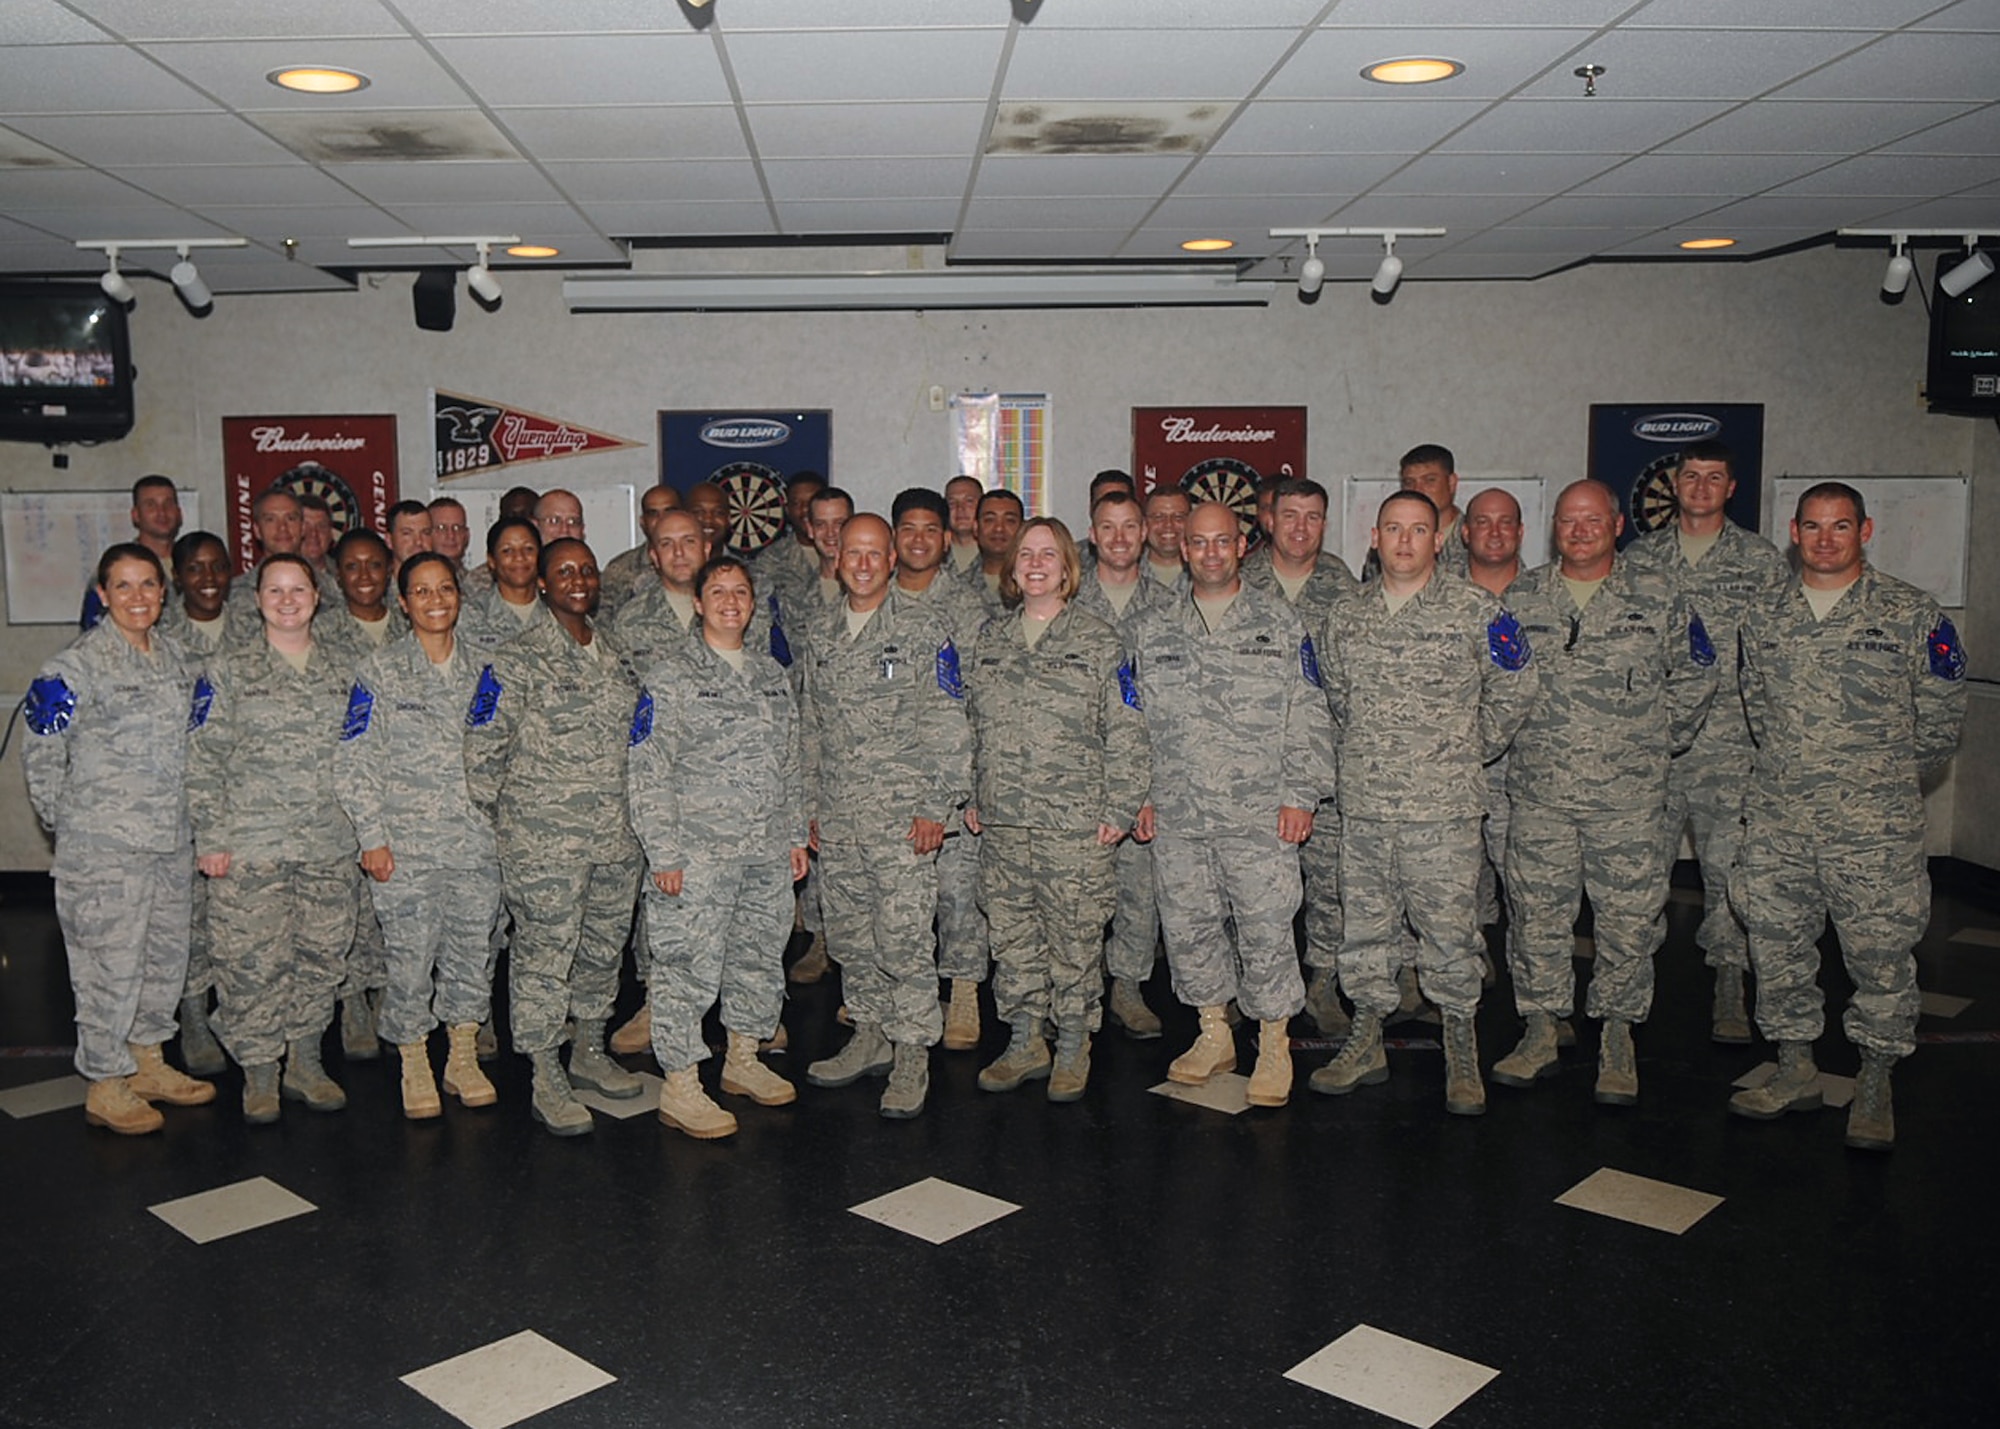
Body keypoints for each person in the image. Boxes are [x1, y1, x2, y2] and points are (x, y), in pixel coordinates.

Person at [1727, 483, 1966, 1150]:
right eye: (1812, 526)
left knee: (1881, 954)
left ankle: (1875, 1080)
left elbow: (1941, 722)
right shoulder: (1765, 612)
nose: (1824, 538)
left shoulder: (1910, 612)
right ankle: (1795, 1066)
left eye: (1839, 526)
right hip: (1779, 818)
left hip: (1874, 826)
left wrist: (1876, 783)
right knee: (1776, 947)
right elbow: (1756, 704)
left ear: (1865, 530)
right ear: (1793, 531)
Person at [1308, 492, 1537, 1116]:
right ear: (1374, 538)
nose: (1405, 541)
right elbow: (1334, 697)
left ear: (1441, 539)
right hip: (1367, 806)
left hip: (1445, 809)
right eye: (1393, 529)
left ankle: (1461, 1043)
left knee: (1449, 932)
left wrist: (1465, 748)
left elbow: (1516, 687)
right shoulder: (1344, 616)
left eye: (1419, 530)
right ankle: (1366, 1039)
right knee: (1366, 930)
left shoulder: (1476, 610)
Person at [1491, 480, 1716, 1106]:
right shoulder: (1523, 595)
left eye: (1593, 520)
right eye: (1569, 520)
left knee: (1627, 922)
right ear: (1554, 528)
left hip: (1629, 799)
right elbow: (1497, 679)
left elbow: (1698, 673)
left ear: (1618, 525)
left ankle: (1618, 1036)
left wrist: (1655, 741)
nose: (1580, 530)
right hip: (1540, 794)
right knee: (1537, 917)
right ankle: (1540, 1026)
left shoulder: (1660, 594)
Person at [1128, 502, 1337, 1106]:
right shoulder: (1151, 626)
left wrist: (1302, 794)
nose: (1211, 553)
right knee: (1189, 928)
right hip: (1178, 809)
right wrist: (1139, 795)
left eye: (1223, 542)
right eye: (1199, 542)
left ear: (1243, 545)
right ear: (1182, 548)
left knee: (1266, 926)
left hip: (1258, 810)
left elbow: (1309, 712)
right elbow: (1131, 719)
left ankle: (1274, 1043)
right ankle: (1214, 1032)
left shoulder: (1279, 621)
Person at [26, 543, 214, 1135]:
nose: (138, 598)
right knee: (108, 968)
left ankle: (148, 1062)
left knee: (163, 961)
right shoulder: (70, 670)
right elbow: (41, 760)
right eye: (123, 587)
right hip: (104, 851)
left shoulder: (182, 662)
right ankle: (106, 1083)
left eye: (148, 585)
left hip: (169, 842)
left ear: (164, 593)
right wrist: (79, 830)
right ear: (103, 595)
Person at [466, 538, 645, 1137]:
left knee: (601, 951)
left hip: (616, 839)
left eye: (587, 570)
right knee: (545, 956)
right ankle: (544, 1069)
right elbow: (482, 752)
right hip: (545, 844)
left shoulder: (619, 654)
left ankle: (589, 1050)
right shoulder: (514, 660)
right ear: (541, 583)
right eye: (564, 571)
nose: (578, 580)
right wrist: (519, 824)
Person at [965, 519, 1149, 1102]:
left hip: (1075, 824)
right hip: (1003, 821)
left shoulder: (1100, 641)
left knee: (1073, 938)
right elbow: (971, 728)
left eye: (1048, 554)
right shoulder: (990, 641)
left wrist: (1120, 807)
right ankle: (1025, 1039)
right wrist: (972, 794)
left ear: (1068, 568)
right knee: (1013, 935)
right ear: (1012, 569)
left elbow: (1128, 730)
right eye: (1026, 554)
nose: (1036, 563)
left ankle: (1073, 1042)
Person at [628, 556, 810, 1139]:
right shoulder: (671, 675)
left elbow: (791, 763)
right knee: (688, 968)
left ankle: (742, 1058)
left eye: (741, 591)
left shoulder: (769, 674)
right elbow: (647, 770)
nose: (731, 601)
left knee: (758, 958)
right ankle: (681, 1084)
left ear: (752, 603)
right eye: (718, 592)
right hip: (697, 856)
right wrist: (664, 854)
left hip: (763, 851)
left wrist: (793, 836)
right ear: (699, 604)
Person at [800, 514, 972, 1120]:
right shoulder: (820, 632)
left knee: (903, 940)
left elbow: (949, 723)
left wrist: (936, 806)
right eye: (855, 552)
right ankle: (869, 1032)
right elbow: (810, 728)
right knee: (850, 939)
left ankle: (912, 1050)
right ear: (838, 556)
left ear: (893, 558)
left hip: (904, 822)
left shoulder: (925, 629)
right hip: (841, 820)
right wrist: (809, 808)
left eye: (876, 552)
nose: (865, 563)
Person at [1620, 441, 1788, 1043]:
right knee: (1640, 877)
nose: (1699, 488)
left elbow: (1776, 658)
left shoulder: (1761, 562)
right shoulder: (1638, 559)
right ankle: (1627, 993)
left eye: (1713, 478)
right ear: (1676, 483)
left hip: (1730, 748)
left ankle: (1729, 985)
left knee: (1730, 876)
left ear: (1730, 488)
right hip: (1653, 747)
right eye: (1690, 477)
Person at [187, 554, 360, 1124]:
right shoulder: (227, 671)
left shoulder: (350, 668)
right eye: (275, 590)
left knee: (320, 955)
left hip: (328, 842)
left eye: (299, 589)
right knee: (250, 961)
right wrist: (210, 837)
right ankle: (260, 1070)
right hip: (250, 845)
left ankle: (305, 1060)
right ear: (257, 599)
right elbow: (202, 759)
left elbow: (366, 756)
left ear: (317, 596)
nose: (288, 600)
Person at [335, 552, 503, 1120]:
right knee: (408, 960)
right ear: (402, 602)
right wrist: (372, 839)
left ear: (460, 596)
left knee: (471, 955)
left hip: (476, 846)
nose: (436, 600)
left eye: (446, 589)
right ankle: (413, 1060)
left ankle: (460, 1054)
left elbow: (505, 755)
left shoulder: (488, 671)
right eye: (422, 591)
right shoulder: (378, 673)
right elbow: (353, 763)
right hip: (405, 850)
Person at [1239, 476, 1358, 1037]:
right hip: (1250, 768)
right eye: (1290, 515)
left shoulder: (1344, 586)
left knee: (1330, 883)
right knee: (1255, 889)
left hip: (1325, 764)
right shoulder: (1241, 580)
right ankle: (1253, 987)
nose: (1300, 527)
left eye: (1312, 516)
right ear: (1269, 519)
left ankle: (1322, 984)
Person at [891, 487, 993, 1051]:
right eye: (909, 528)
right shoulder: (872, 605)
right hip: (887, 783)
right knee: (898, 904)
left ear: (947, 537)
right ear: (893, 537)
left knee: (957, 895)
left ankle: (964, 995)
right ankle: (902, 999)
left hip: (952, 780)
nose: (920, 539)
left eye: (931, 529)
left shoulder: (969, 609)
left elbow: (981, 701)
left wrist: (971, 785)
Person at [1073, 488, 1176, 1039]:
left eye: (1129, 527)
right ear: (1093, 535)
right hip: (1075, 778)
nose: (1118, 538)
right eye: (1107, 528)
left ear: (1145, 534)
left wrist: (1152, 789)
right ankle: (1078, 990)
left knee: (1139, 891)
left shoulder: (1169, 608)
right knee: (1079, 896)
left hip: (1145, 777)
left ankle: (1128, 987)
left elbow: (1175, 706)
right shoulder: (1066, 600)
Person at [157, 532, 244, 1077]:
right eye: (195, 568)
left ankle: (234, 1014)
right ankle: (192, 1015)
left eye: (217, 566)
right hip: (182, 797)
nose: (208, 578)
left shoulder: (253, 627)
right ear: (178, 577)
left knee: (235, 918)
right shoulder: (163, 638)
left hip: (245, 798)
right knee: (189, 919)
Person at [1462, 488, 1529, 943]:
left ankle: (1531, 997)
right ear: (1465, 532)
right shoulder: (1436, 594)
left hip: (1527, 769)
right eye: (1483, 521)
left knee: (1526, 887)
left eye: (1505, 522)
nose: (1495, 531)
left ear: (1522, 532)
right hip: (1455, 765)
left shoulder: (1546, 595)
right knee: (1454, 887)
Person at [81, 476, 183, 629]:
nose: (162, 512)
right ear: (135, 515)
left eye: (168, 504)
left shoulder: (195, 566)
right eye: (151, 505)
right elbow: (93, 629)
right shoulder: (116, 568)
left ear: (179, 513)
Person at [458, 515, 544, 654]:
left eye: (528, 549)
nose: (519, 557)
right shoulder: (468, 614)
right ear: (491, 560)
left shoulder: (558, 612)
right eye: (507, 551)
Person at [750, 471, 824, 618]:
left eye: (811, 502)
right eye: (797, 503)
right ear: (787, 509)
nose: (804, 510)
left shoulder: (849, 554)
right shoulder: (770, 559)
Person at [601, 485, 682, 606]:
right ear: (643, 522)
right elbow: (604, 620)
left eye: (669, 512)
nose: (661, 520)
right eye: (653, 514)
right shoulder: (619, 570)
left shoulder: (697, 562)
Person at [966, 488, 1024, 616]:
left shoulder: (1037, 584)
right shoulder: (957, 585)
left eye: (1009, 521)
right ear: (976, 528)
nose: (999, 528)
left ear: (1022, 529)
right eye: (989, 520)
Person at [803, 485, 855, 613]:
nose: (830, 533)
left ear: (853, 525)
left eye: (839, 523)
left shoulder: (874, 588)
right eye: (821, 524)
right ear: (810, 529)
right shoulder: (793, 593)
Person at [1142, 486, 1191, 586]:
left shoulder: (1209, 572)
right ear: (1144, 523)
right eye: (1158, 517)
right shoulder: (1125, 574)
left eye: (1178, 517)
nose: (1168, 524)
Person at [945, 475, 985, 573]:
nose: (960, 508)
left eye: (969, 501)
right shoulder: (934, 553)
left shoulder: (996, 552)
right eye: (952, 503)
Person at [683, 481, 732, 556]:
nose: (708, 520)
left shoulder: (742, 567)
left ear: (728, 519)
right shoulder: (670, 567)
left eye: (718, 512)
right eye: (698, 512)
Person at [427, 497, 472, 569]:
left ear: (466, 536)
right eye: (441, 528)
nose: (451, 535)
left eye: (457, 528)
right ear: (427, 534)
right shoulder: (412, 578)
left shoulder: (479, 579)